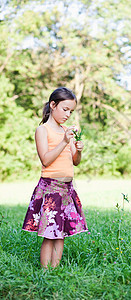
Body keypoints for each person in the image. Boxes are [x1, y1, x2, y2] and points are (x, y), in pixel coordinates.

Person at [22, 87, 88, 268]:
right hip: (50, 188)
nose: (68, 114)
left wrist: (79, 150)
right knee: (50, 234)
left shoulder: (68, 131)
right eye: (65, 109)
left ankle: (54, 270)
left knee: (61, 233)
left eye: (71, 111)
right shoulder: (43, 130)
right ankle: (45, 272)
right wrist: (64, 142)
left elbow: (75, 162)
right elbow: (46, 160)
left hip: (67, 189)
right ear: (53, 105)